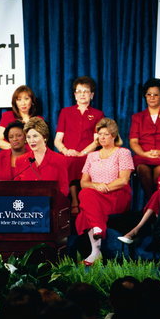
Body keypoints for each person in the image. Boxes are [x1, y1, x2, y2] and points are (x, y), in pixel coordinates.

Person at [75, 118, 134, 265]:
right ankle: (96, 250)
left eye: (106, 134)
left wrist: (104, 187)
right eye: (99, 134)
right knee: (85, 193)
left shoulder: (123, 152)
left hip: (117, 195)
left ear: (113, 135)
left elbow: (123, 180)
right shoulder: (92, 156)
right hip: (96, 196)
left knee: (85, 206)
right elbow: (83, 183)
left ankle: (96, 243)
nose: (102, 137)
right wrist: (97, 186)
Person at [54, 76, 104, 215]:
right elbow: (57, 140)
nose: (82, 94)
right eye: (79, 91)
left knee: (85, 162)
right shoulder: (66, 112)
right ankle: (74, 202)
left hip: (87, 154)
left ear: (92, 95)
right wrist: (65, 150)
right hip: (68, 153)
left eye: (86, 91)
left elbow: (97, 141)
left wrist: (82, 153)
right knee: (66, 162)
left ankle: (85, 202)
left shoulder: (98, 114)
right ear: (75, 95)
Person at [129, 78, 160, 201]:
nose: (151, 97)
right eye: (149, 94)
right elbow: (133, 141)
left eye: (155, 95)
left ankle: (155, 205)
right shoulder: (138, 117)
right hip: (143, 156)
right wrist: (144, 153)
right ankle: (153, 203)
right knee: (141, 169)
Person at [13, 117, 69, 198]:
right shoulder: (20, 160)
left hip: (51, 206)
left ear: (44, 137)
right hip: (27, 206)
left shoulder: (59, 159)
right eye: (28, 137)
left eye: (35, 136)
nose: (31, 141)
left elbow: (64, 189)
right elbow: (16, 189)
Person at [0, 85, 41, 150]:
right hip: (12, 154)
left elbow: (41, 143)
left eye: (26, 99)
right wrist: (18, 150)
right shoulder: (8, 116)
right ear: (15, 102)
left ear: (32, 101)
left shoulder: (38, 120)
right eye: (19, 100)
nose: (23, 103)